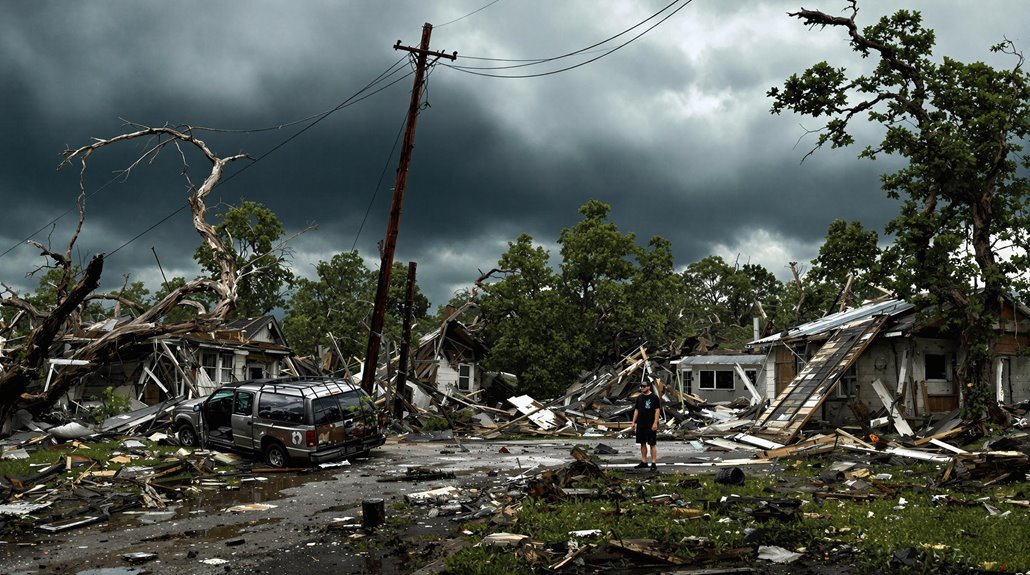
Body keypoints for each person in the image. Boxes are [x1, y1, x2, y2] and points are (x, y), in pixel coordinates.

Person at [630, 381, 661, 470]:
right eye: (641, 386)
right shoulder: (639, 397)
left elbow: (657, 410)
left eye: (643, 386)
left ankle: (653, 463)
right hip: (641, 423)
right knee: (642, 443)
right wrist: (633, 422)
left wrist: (655, 422)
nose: (642, 388)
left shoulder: (654, 397)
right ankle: (644, 461)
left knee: (652, 443)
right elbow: (636, 410)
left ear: (648, 387)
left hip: (650, 424)